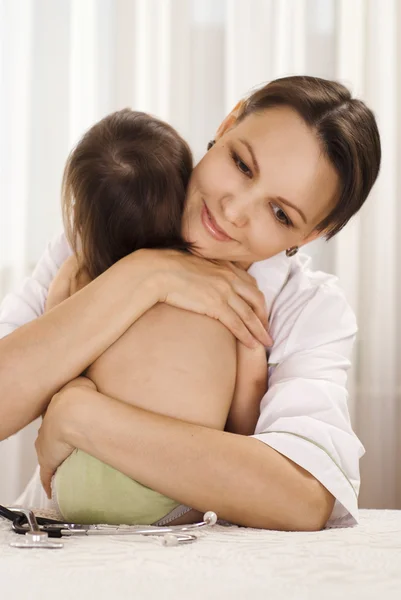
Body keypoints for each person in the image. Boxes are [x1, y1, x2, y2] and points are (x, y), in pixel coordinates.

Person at [0, 75, 381, 531]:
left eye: (280, 214)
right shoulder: (110, 219)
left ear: (313, 233)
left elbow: (300, 499)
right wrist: (145, 275)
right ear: (227, 123)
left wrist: (82, 417)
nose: (234, 210)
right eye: (242, 164)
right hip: (52, 543)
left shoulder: (308, 309)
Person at [46, 108, 269, 526]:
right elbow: (247, 405)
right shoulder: (233, 286)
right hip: (178, 487)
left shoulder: (79, 272)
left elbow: (52, 361)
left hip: (81, 477)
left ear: (81, 213)